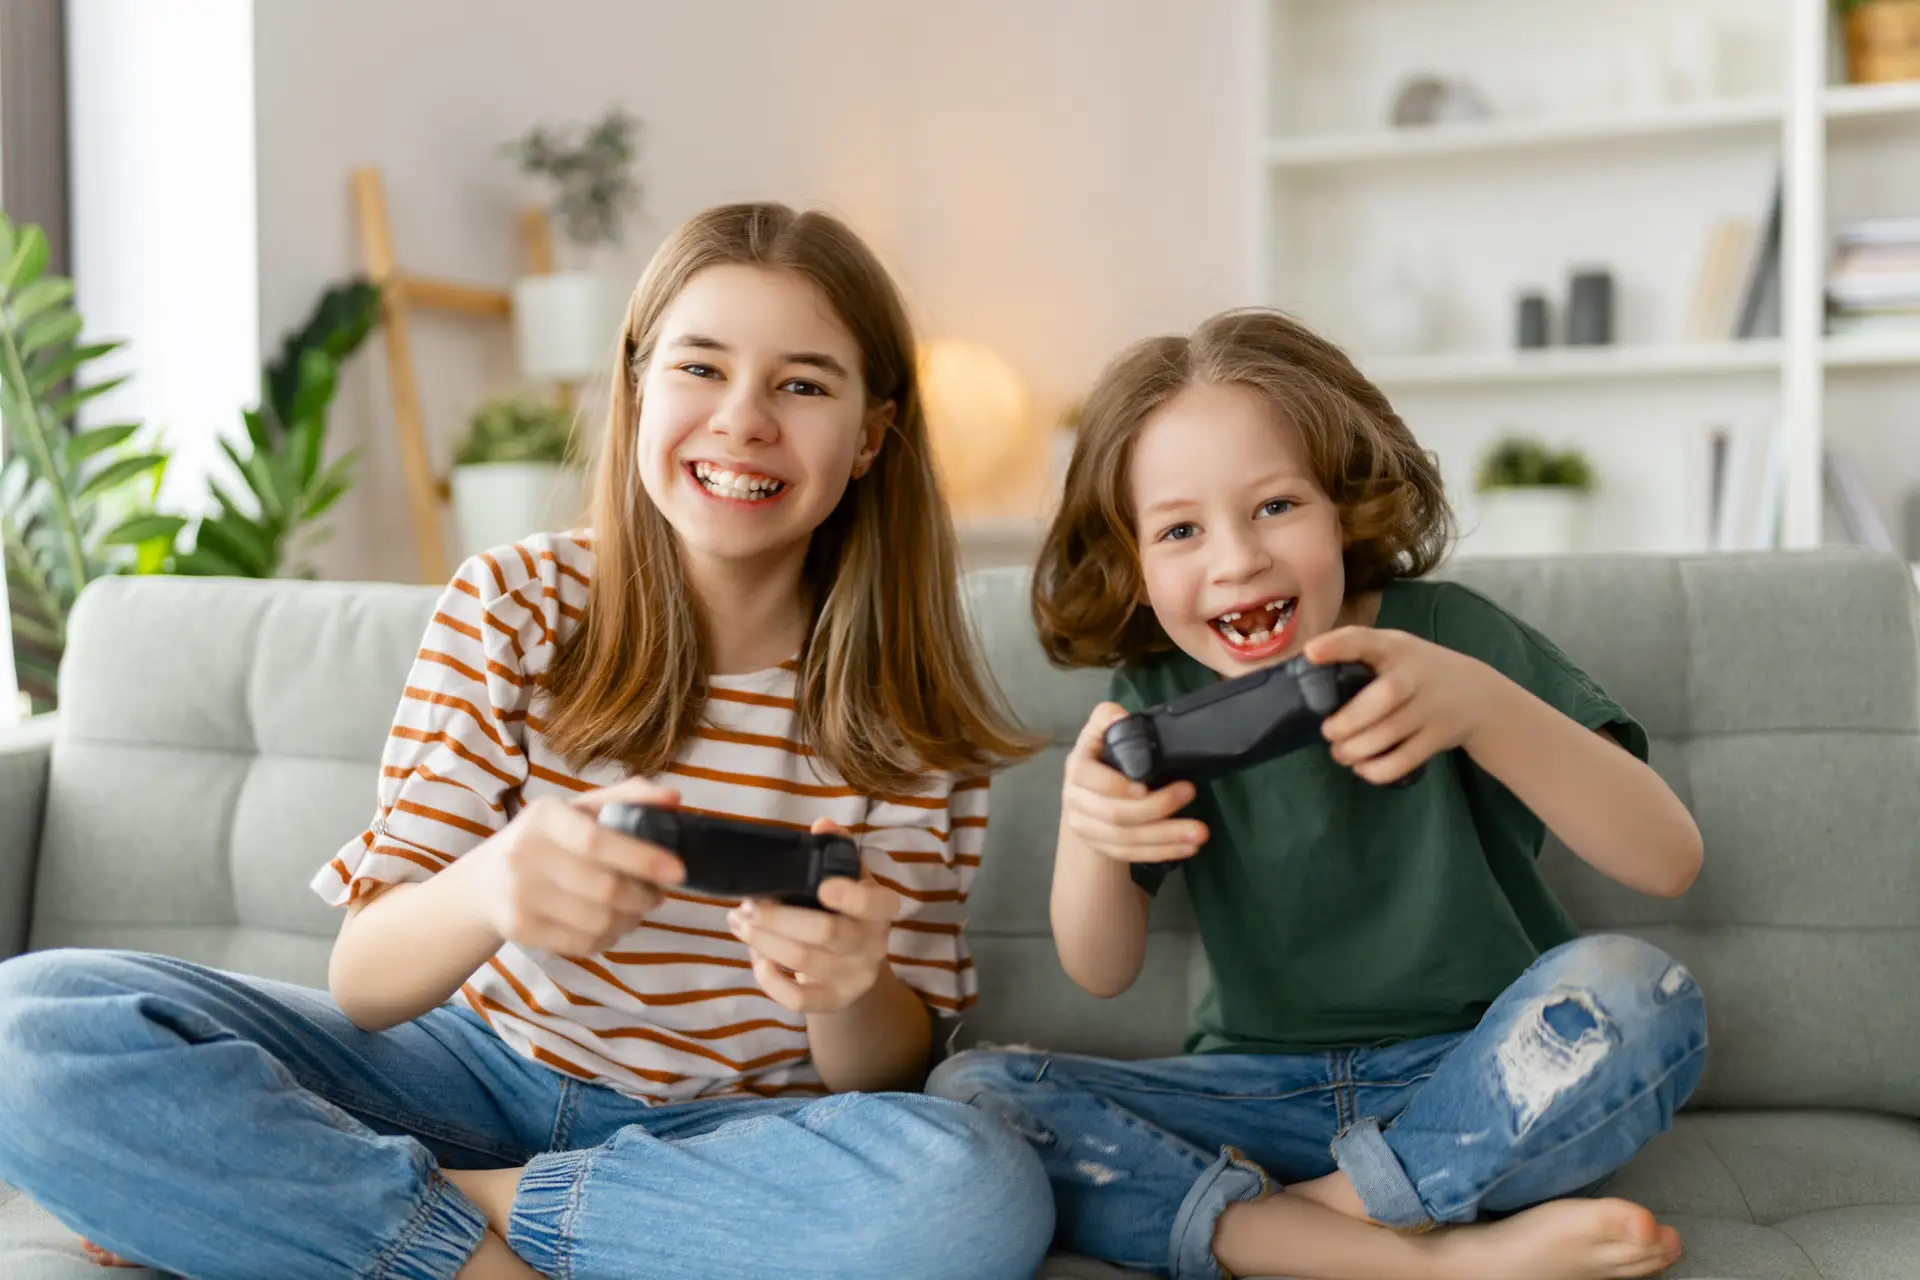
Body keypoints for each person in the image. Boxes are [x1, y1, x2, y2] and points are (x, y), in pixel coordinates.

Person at [0, 202, 1052, 1280]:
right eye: (700, 368)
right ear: (638, 390)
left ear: (872, 433)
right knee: (27, 1025)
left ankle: (381, 1204)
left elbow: (882, 1071)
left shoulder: (907, 698)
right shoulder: (513, 602)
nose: (743, 420)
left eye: (803, 383)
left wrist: (845, 985)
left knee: (975, 1191)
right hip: (463, 1074)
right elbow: (365, 980)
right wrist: (492, 883)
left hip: (729, 1142)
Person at [928, 307, 1708, 1280]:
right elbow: (1100, 968)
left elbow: (1668, 857)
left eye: (1275, 506)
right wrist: (1088, 828)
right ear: (1134, 566)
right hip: (1249, 1093)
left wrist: (1483, 709)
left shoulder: (1451, 638)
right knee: (974, 1092)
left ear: (1343, 503)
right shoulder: (1154, 695)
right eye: (1179, 528)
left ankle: (1298, 1222)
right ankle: (1431, 1257)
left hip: (1466, 1074)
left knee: (1645, 994)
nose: (1236, 558)